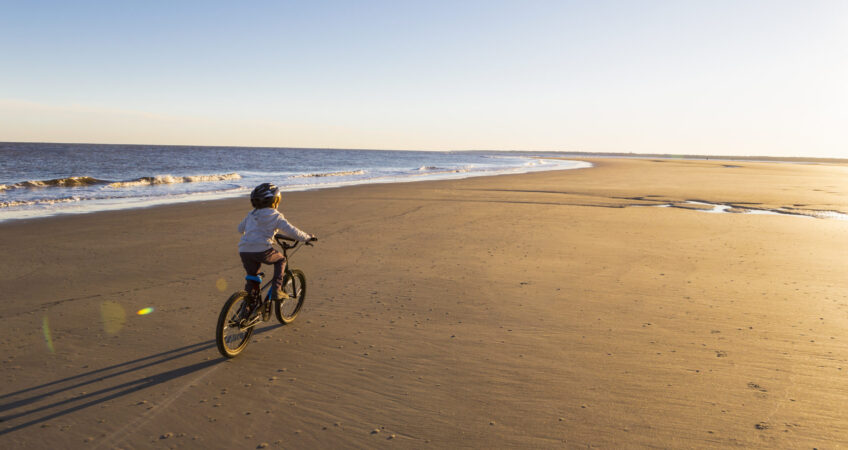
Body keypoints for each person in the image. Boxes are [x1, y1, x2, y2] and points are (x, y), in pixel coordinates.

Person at [238, 183, 315, 302]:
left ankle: (247, 309)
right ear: (275, 200)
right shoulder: (276, 216)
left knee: (252, 278)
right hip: (262, 250)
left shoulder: (251, 214)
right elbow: (293, 232)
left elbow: (240, 229)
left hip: (244, 250)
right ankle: (277, 290)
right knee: (281, 260)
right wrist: (307, 237)